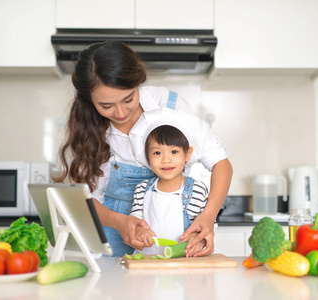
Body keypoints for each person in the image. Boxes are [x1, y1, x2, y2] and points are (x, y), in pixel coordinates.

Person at [54, 40, 233, 257]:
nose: (120, 113)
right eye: (106, 106)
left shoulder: (168, 106)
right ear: (90, 101)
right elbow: (83, 197)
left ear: (137, 82)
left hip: (174, 239)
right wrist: (119, 222)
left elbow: (221, 163)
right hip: (110, 237)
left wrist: (208, 215)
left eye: (128, 99)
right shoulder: (87, 129)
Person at [130, 123, 209, 256]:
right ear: (148, 158)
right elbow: (134, 222)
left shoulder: (198, 189)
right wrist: (140, 231)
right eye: (157, 153)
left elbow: (205, 226)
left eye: (174, 152)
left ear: (188, 154)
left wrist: (197, 239)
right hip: (148, 261)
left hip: (185, 262)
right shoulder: (142, 189)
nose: (166, 160)